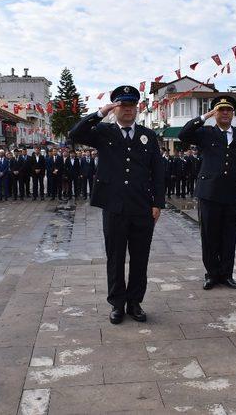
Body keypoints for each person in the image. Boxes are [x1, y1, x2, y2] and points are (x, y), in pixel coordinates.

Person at [70, 85, 165, 325]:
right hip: (114, 206)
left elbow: (158, 171)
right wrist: (100, 113)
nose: (128, 110)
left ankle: (135, 302)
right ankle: (117, 304)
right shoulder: (103, 131)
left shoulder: (148, 135)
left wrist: (158, 203)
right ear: (115, 107)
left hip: (142, 207)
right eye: (123, 105)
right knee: (115, 257)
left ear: (138, 108)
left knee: (140, 257)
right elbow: (75, 134)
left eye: (132, 105)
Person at [179, 95, 236, 290]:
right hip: (209, 193)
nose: (225, 113)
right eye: (221, 110)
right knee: (209, 236)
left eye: (229, 110)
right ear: (215, 113)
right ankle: (212, 274)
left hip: (233, 195)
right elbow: (183, 134)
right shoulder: (205, 133)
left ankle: (227, 274)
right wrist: (204, 116)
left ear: (233, 113)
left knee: (229, 236)